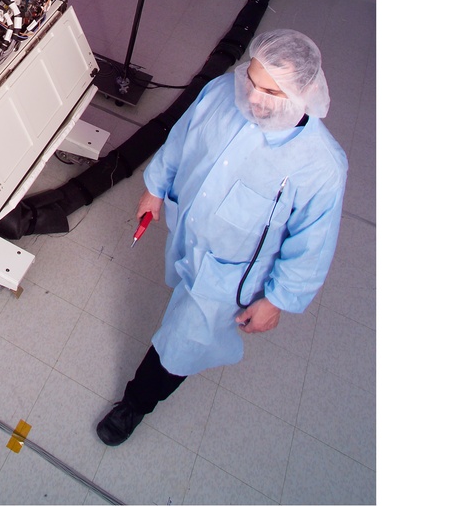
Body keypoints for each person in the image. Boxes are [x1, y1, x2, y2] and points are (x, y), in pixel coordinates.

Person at [96, 29, 348, 446]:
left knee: (183, 341)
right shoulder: (221, 92)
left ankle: (135, 404)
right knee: (179, 287)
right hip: (190, 231)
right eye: (252, 78)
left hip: (230, 275)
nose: (252, 96)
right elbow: (182, 139)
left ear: (304, 93)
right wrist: (156, 187)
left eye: (271, 91)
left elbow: (311, 246)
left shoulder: (321, 166)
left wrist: (277, 300)